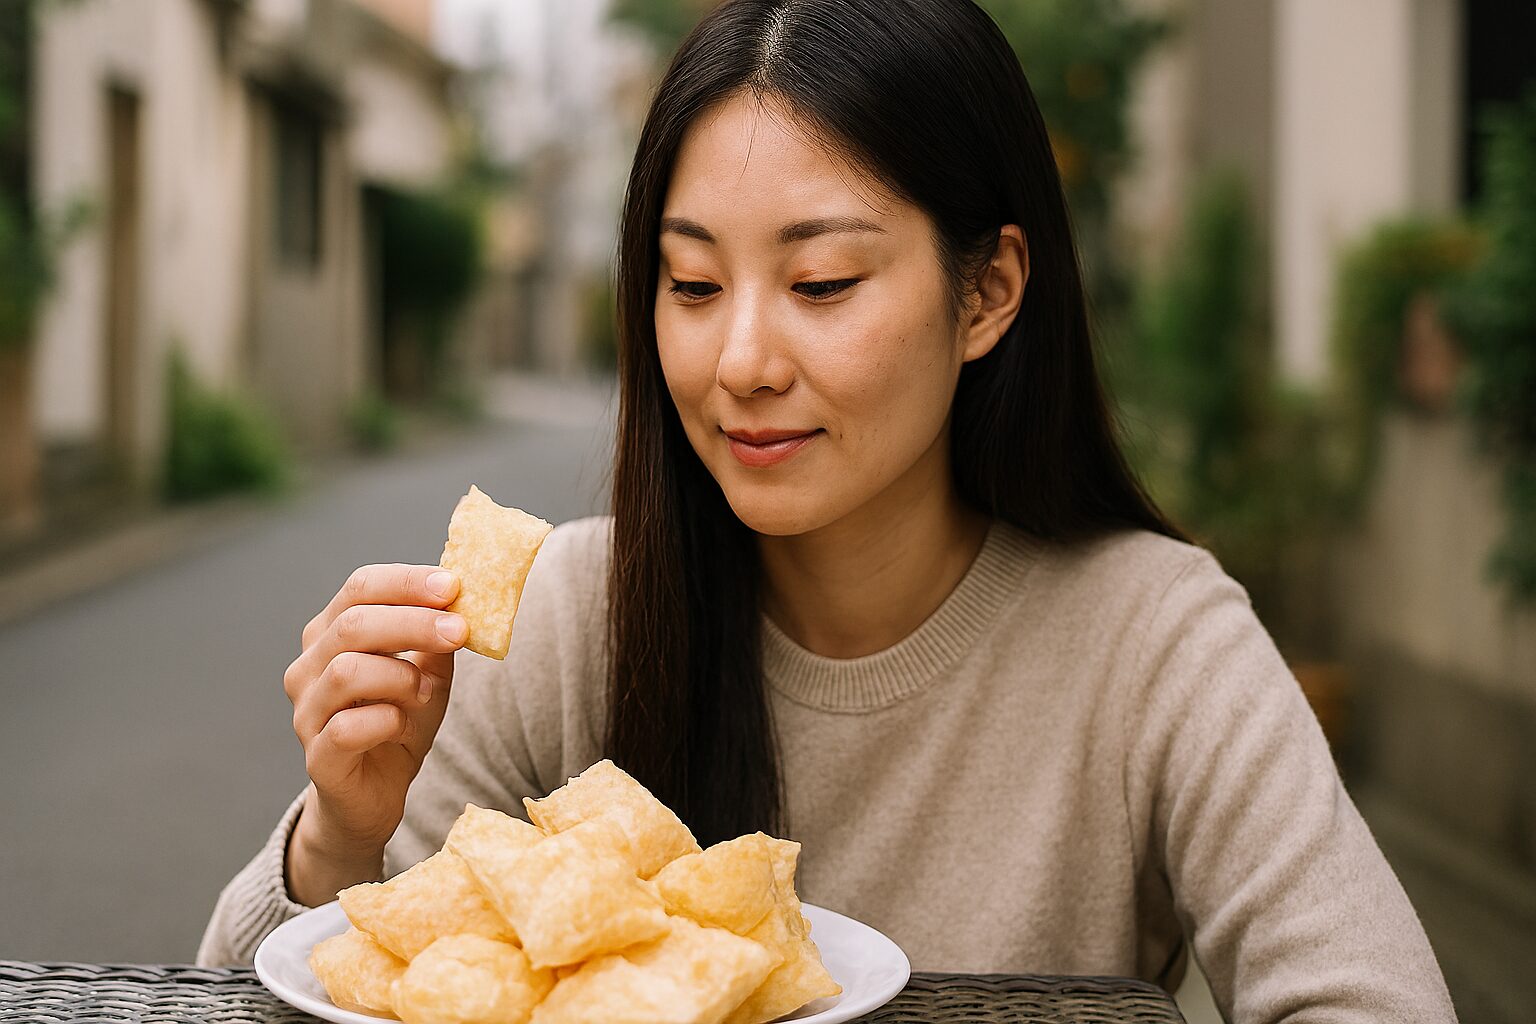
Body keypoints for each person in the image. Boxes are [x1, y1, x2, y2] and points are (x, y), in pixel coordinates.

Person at [199, 1, 1456, 1020]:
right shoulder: (567, 620)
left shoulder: (1155, 641)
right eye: (692, 282)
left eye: (821, 280)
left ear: (989, 292)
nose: (740, 356)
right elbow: (270, 990)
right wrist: (339, 835)